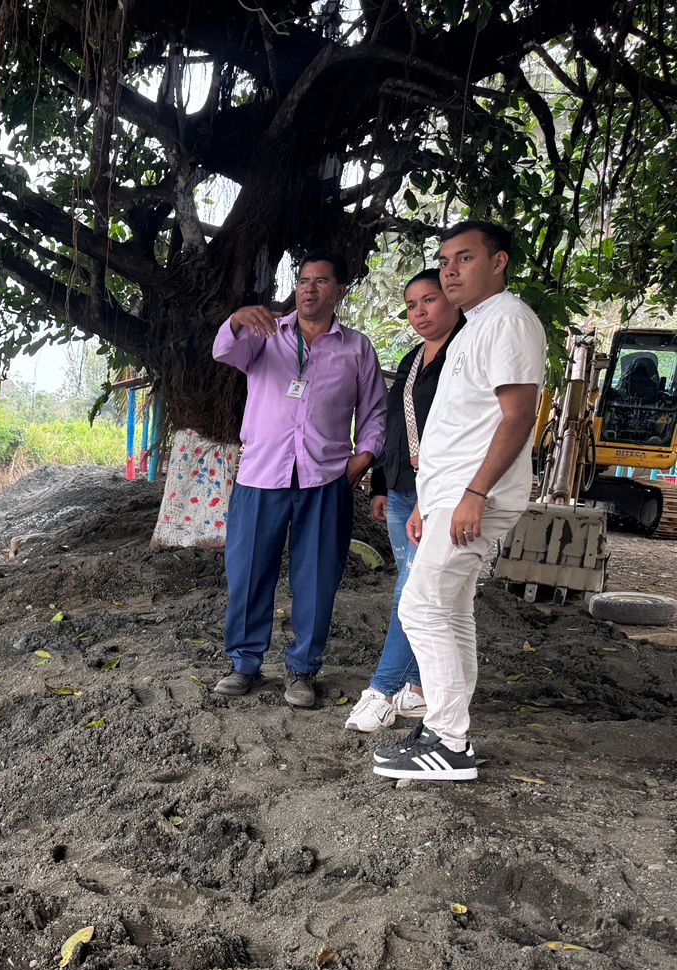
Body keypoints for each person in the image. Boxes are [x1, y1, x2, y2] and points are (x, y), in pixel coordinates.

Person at [372, 219, 545, 781]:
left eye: (464, 258)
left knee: (421, 607)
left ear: (498, 262)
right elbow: (460, 426)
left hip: (474, 495)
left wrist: (474, 493)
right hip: (449, 496)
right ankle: (449, 732)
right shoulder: (475, 327)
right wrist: (429, 501)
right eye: (445, 260)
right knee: (449, 610)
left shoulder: (509, 320)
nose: (450, 270)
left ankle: (449, 741)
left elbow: (518, 417)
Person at [211, 250, 387, 708]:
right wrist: (236, 320)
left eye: (321, 281)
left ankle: (303, 669)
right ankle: (244, 664)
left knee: (317, 578)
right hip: (261, 474)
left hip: (325, 478)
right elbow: (224, 351)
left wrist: (363, 458)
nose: (309, 288)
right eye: (304, 280)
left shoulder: (357, 348)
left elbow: (374, 411)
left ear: (340, 290)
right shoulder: (265, 333)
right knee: (248, 573)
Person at [344, 269, 465, 732]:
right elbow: (396, 425)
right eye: (411, 305)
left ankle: (382, 690)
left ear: (452, 299)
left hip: (436, 493)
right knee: (416, 587)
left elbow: (464, 433)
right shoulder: (414, 357)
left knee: (412, 591)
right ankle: (416, 688)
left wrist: (425, 497)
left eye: (429, 300)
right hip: (399, 489)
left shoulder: (465, 352)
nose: (419, 312)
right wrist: (380, 484)